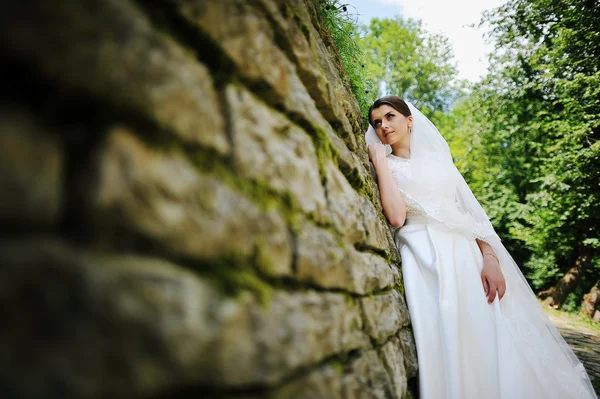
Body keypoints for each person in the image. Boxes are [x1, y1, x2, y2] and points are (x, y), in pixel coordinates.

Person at [365, 96, 596, 399]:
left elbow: (471, 213)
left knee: (489, 335)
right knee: (449, 333)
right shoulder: (388, 166)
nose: (383, 126)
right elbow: (396, 217)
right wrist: (381, 161)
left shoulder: (439, 161)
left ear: (410, 121)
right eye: (377, 122)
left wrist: (490, 257)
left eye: (390, 116)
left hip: (467, 255)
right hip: (426, 256)